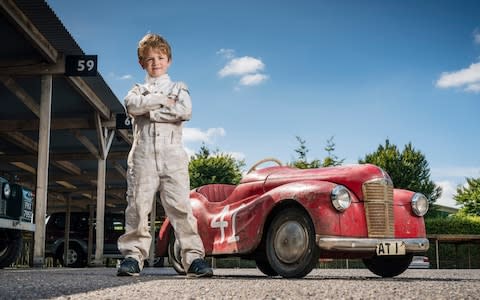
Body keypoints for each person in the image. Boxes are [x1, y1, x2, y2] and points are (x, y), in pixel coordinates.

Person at [117, 33, 213, 277]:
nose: (155, 63)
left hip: (173, 156)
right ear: (142, 63)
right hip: (142, 155)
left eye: (160, 58)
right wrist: (162, 101)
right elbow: (132, 106)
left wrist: (151, 111)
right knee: (138, 207)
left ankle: (193, 258)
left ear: (168, 60)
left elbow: (185, 110)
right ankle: (133, 257)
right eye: (149, 59)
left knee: (181, 208)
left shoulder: (179, 88)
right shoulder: (137, 89)